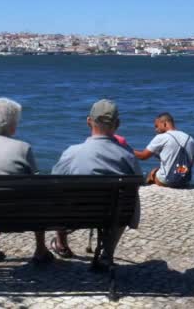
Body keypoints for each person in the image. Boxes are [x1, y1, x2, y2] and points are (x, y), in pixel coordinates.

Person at [51, 99, 142, 259]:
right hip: (115, 215)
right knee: (125, 200)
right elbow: (138, 182)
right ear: (117, 124)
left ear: (89, 122)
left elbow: (54, 182)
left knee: (60, 194)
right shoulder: (127, 155)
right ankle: (107, 253)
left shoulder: (72, 153)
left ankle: (61, 243)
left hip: (76, 214)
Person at [0, 97, 53, 265]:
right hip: (16, 210)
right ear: (13, 126)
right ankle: (40, 249)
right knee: (37, 198)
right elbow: (36, 182)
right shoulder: (23, 147)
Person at [134, 112, 194, 188]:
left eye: (157, 126)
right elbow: (191, 162)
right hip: (185, 181)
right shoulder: (190, 139)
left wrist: (127, 149)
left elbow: (143, 156)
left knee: (151, 173)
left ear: (164, 124)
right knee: (162, 170)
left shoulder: (162, 137)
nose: (156, 130)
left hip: (167, 181)